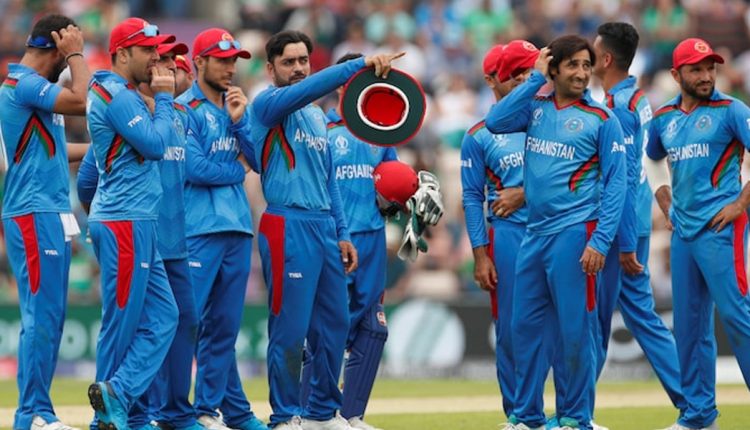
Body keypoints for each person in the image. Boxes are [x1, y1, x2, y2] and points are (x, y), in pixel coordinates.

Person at [237, 30, 402, 430]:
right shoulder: (268, 104)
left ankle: (322, 413)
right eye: (288, 62)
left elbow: (329, 181)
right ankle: (284, 415)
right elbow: (308, 89)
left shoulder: (315, 116)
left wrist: (342, 232)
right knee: (290, 327)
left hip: (324, 226)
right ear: (271, 67)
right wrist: (359, 65)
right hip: (286, 223)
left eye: (303, 61)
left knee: (334, 325)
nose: (298, 68)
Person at [486, 35, 626, 430]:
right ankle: (528, 417)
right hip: (534, 234)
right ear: (554, 69)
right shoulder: (536, 108)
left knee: (574, 331)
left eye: (587, 65)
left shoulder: (603, 120)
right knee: (524, 329)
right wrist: (534, 79)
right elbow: (495, 122)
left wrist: (600, 240)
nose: (582, 73)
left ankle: (575, 418)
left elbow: (616, 185)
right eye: (573, 65)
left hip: (575, 233)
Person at [77, 40, 201, 430]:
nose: (162, 65)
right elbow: (92, 177)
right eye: (154, 55)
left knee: (167, 318)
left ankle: (120, 395)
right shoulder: (124, 101)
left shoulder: (170, 112)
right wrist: (103, 218)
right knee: (122, 323)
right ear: (126, 56)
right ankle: (108, 418)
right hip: (128, 223)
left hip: (153, 231)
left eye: (169, 60)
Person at [645, 37, 750, 430]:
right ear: (677, 75)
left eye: (710, 68)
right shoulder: (664, 118)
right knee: (689, 327)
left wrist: (740, 204)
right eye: (696, 69)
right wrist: (663, 198)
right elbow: (652, 159)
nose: (706, 76)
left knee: (738, 317)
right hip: (684, 233)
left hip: (721, 229)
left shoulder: (731, 110)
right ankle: (699, 416)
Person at [590, 21, 686, 429]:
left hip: (619, 230)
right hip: (633, 224)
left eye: (593, 52)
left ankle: (578, 414)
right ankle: (694, 404)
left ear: (606, 58)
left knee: (595, 319)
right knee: (640, 315)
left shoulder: (619, 108)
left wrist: (625, 241)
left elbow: (625, 179)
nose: (587, 59)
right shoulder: (637, 98)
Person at [0, 13, 90, 430]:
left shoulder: (35, 92)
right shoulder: (22, 84)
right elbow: (81, 101)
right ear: (54, 47)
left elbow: (56, 149)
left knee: (49, 316)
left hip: (48, 211)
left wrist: (103, 149)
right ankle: (32, 413)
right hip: (33, 211)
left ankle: (38, 411)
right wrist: (77, 55)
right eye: (66, 50)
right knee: (41, 314)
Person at [175, 28, 266, 430]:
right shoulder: (184, 109)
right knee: (188, 322)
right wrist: (237, 170)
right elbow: (195, 169)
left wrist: (241, 122)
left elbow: (259, 161)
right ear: (200, 62)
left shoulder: (237, 107)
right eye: (222, 60)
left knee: (225, 327)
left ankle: (208, 410)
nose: (230, 68)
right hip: (198, 229)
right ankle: (170, 410)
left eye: (234, 61)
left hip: (238, 229)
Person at [461, 41, 537, 423]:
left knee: (568, 326)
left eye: (529, 72)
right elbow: (472, 197)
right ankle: (519, 415)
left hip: (558, 229)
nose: (524, 79)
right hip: (508, 236)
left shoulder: (552, 121)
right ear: (494, 80)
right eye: (515, 73)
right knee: (510, 329)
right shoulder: (479, 135)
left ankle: (573, 415)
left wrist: (526, 192)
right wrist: (480, 253)